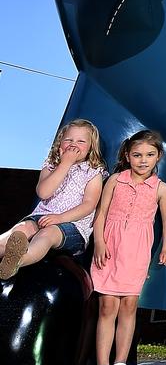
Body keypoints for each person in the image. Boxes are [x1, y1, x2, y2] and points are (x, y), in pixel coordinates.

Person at [84, 129, 166, 365]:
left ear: (158, 157)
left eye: (149, 155)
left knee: (128, 306)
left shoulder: (161, 188)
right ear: (127, 155)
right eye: (137, 155)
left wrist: (165, 248)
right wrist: (99, 242)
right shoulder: (114, 180)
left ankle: (120, 364)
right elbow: (100, 213)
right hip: (109, 249)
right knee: (106, 307)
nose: (143, 160)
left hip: (136, 252)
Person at [0, 119, 107, 278]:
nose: (73, 145)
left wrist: (59, 218)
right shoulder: (51, 165)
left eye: (81, 141)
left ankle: (18, 260)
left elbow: (89, 205)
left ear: (91, 147)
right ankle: (5, 252)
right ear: (60, 142)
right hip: (41, 217)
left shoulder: (92, 172)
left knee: (47, 234)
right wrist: (65, 164)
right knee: (21, 228)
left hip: (73, 226)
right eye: (69, 140)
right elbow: (43, 193)